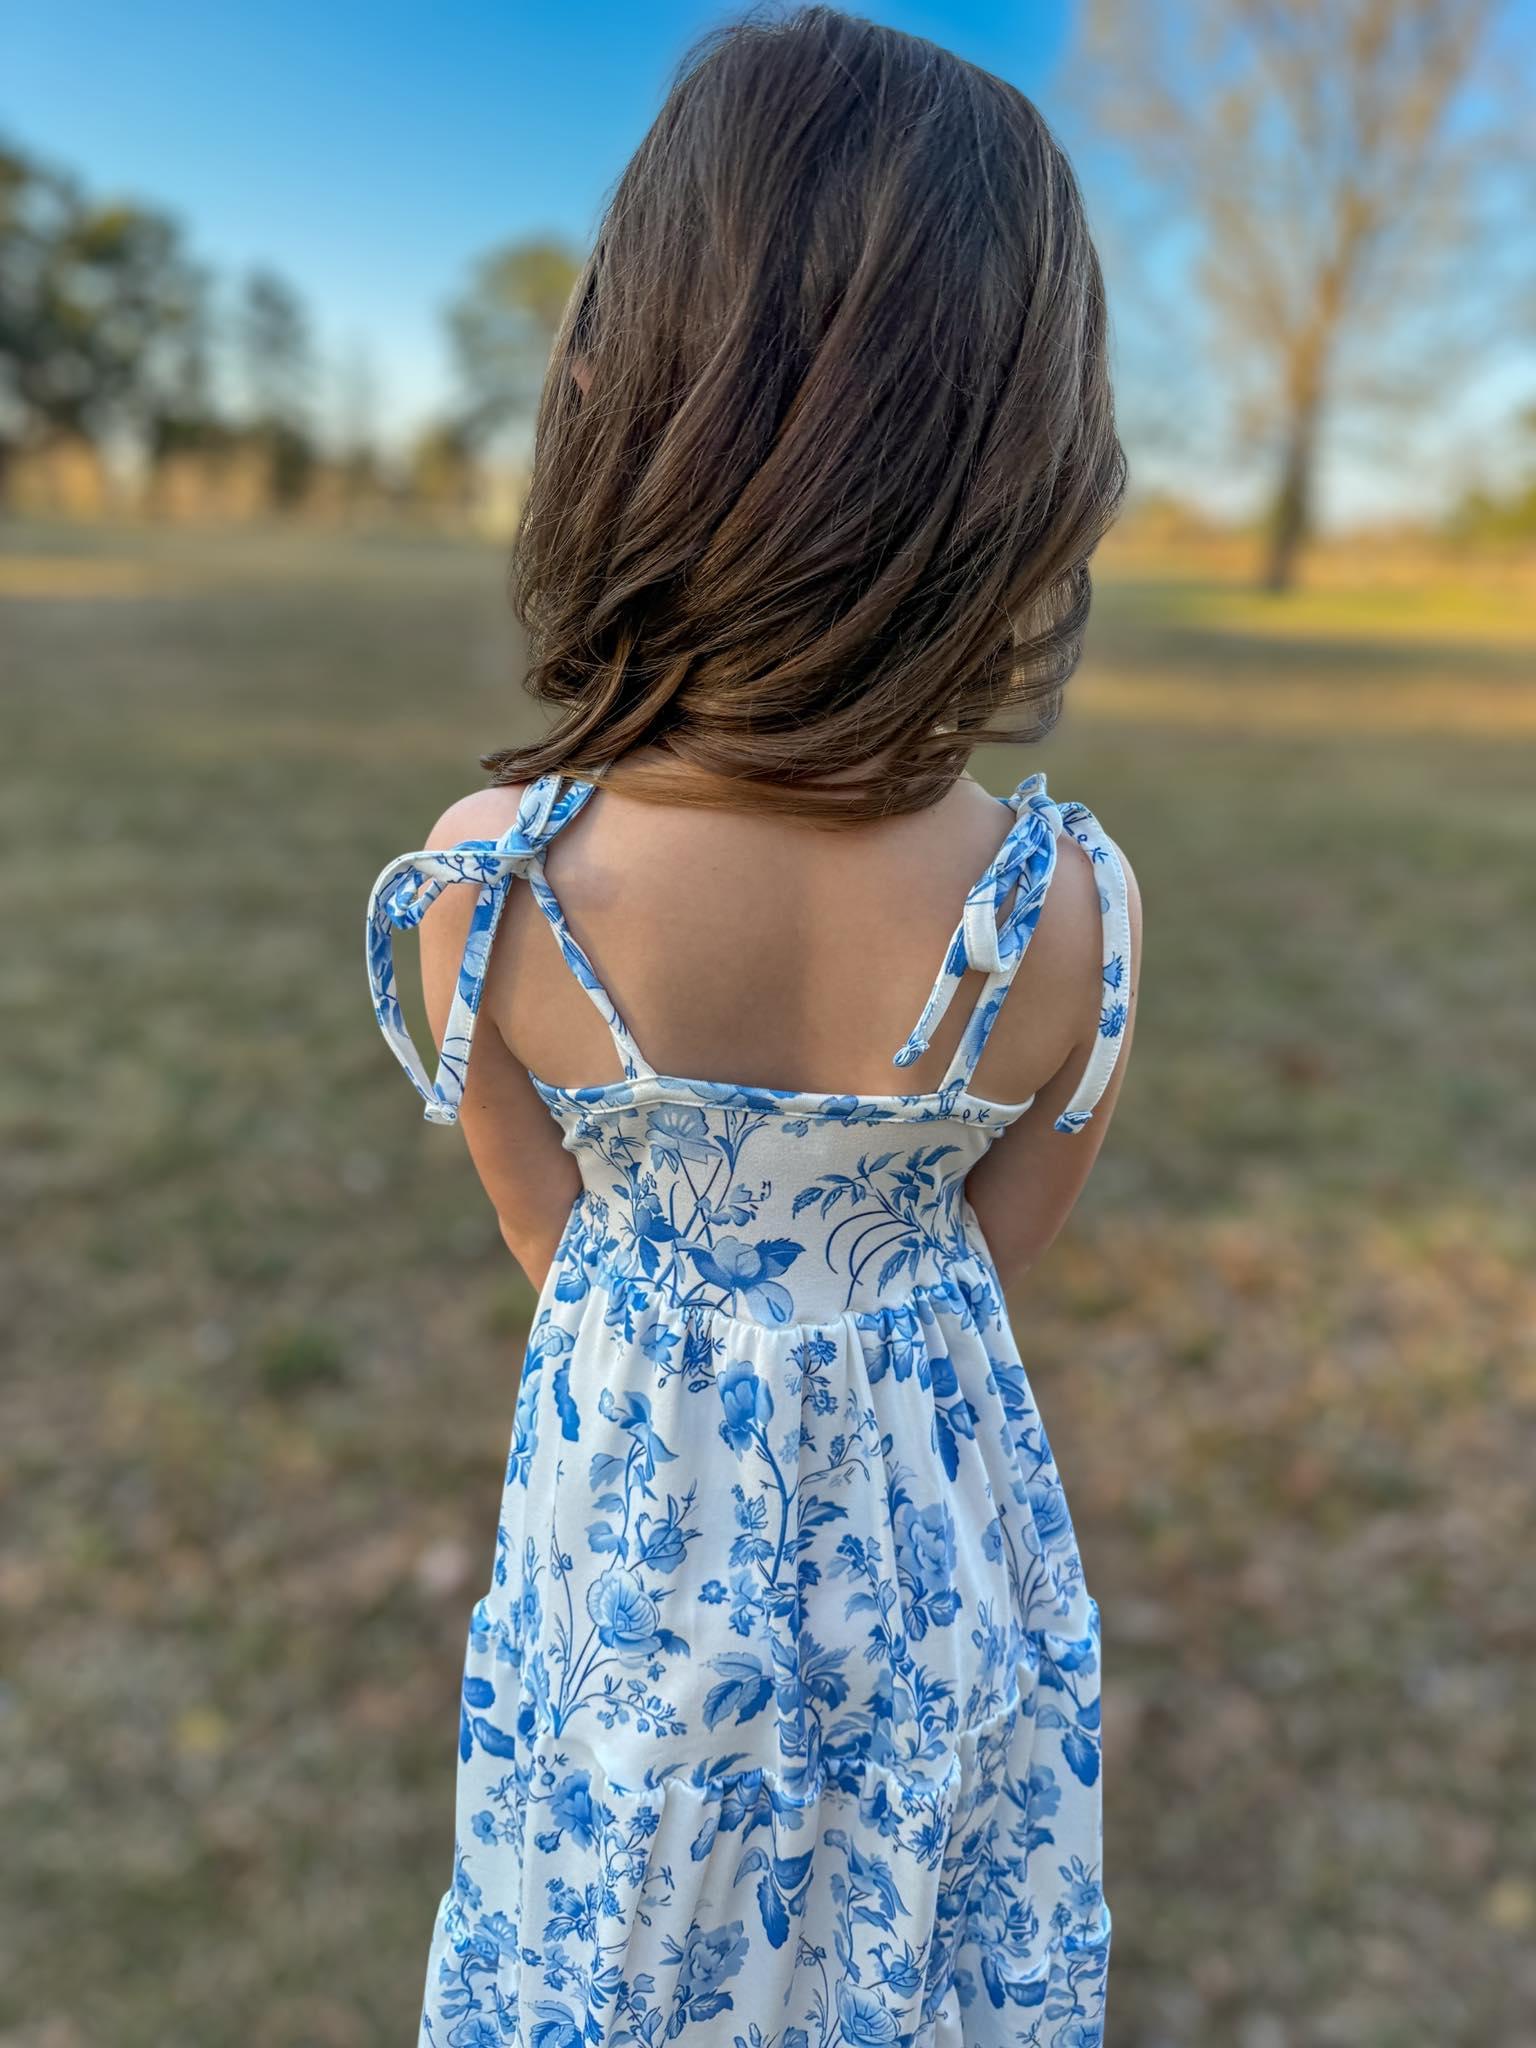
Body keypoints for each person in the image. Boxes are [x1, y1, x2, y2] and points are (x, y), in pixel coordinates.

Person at [365, 8, 1142, 2043]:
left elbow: (550, 1237)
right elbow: (985, 1257)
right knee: (910, 1945)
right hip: (933, 1601)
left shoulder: (493, 886)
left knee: (616, 1934)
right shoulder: (1066, 909)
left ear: (623, 395)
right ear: (1030, 464)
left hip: (636, 1600)